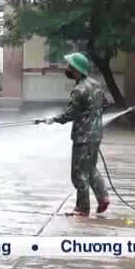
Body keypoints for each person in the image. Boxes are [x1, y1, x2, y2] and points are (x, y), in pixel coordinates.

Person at [44, 52, 110, 216]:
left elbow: (70, 115)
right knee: (91, 168)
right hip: (96, 135)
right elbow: (105, 105)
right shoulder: (96, 84)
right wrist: (93, 118)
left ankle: (82, 209)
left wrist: (53, 119)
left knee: (79, 172)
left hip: (82, 137)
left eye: (69, 66)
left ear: (76, 69)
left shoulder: (78, 90)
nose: (67, 68)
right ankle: (103, 197)